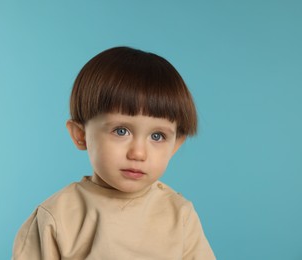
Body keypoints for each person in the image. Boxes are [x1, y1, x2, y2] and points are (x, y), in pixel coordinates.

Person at [12, 46, 215, 260]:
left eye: (157, 136)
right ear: (80, 135)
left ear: (175, 145)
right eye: (121, 131)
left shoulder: (180, 215)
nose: (138, 153)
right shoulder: (56, 217)